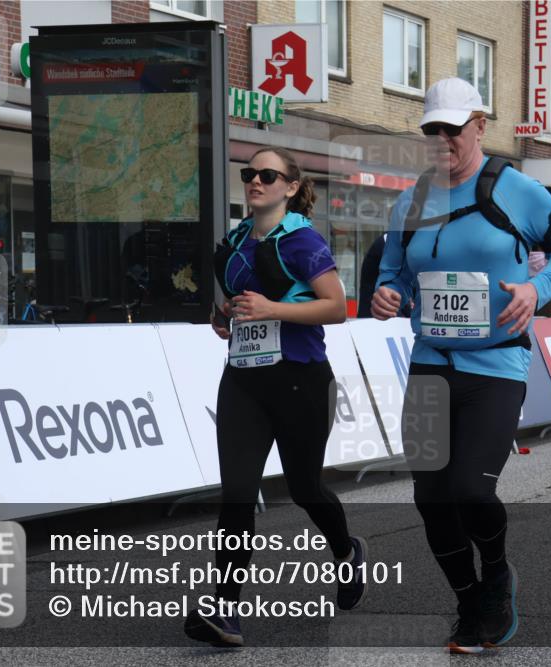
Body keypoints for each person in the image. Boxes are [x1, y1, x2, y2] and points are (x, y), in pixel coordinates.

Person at [371, 78, 551, 654]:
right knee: (429, 497)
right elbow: (392, 271)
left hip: (496, 364)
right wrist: (387, 295)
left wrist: (537, 289)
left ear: (480, 126)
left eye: (453, 128)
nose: (442, 139)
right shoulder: (410, 199)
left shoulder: (517, 190)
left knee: (469, 489)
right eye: (432, 129)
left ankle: (496, 576)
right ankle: (469, 604)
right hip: (429, 362)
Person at [183, 147, 366, 647]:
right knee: (237, 494)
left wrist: (273, 310)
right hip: (244, 379)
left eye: (268, 175)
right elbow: (236, 312)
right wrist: (226, 319)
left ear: (289, 186)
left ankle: (346, 552)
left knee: (306, 488)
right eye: (249, 174)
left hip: (301, 379)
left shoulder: (302, 240)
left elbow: (335, 308)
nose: (255, 182)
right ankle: (226, 610)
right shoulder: (238, 241)